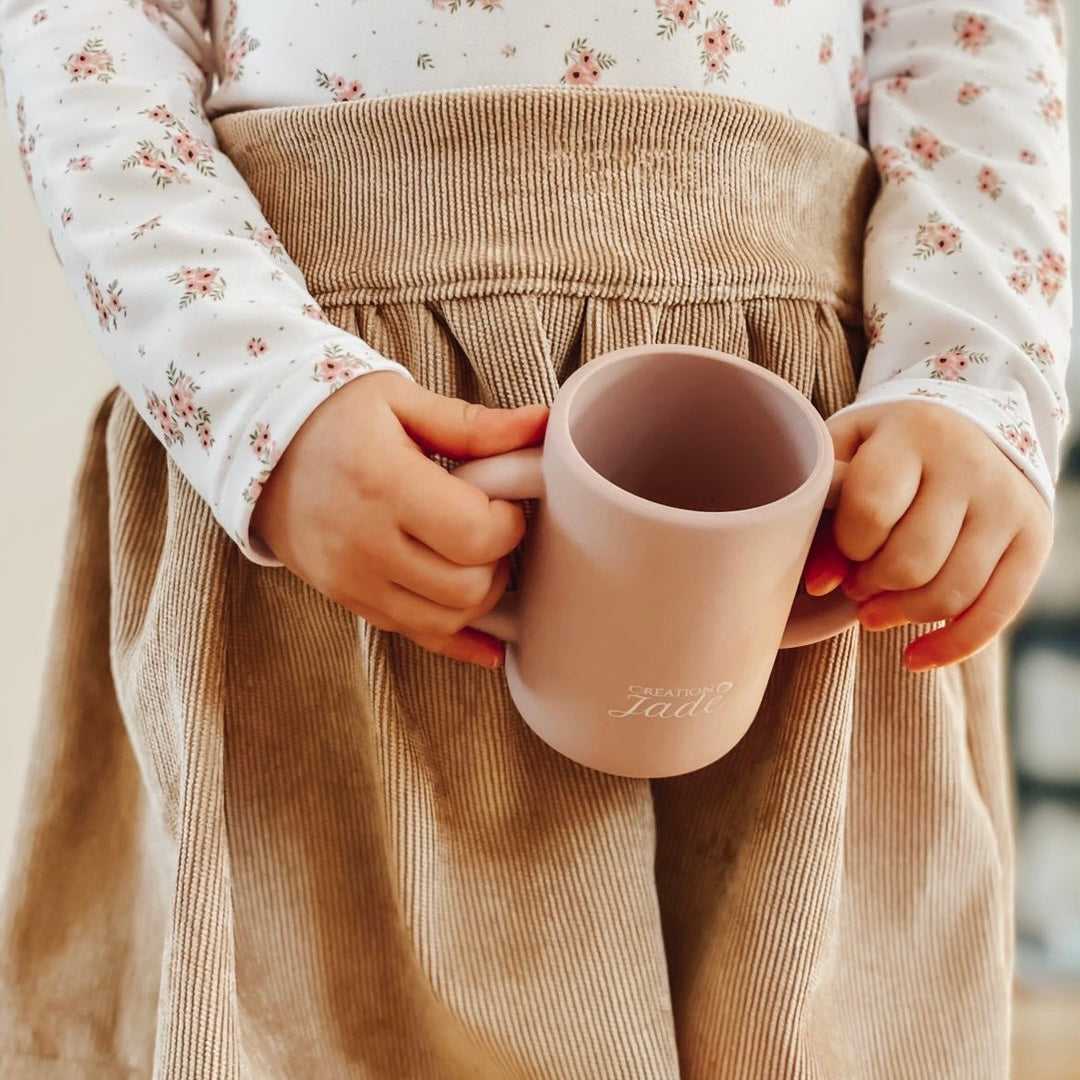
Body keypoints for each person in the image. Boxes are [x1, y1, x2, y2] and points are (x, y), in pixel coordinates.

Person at [0, 1, 1070, 1077]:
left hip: (795, 526)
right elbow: (89, 45)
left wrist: (973, 378)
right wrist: (261, 399)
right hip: (331, 490)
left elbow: (970, 31)